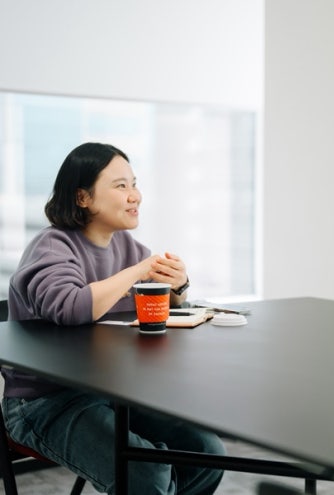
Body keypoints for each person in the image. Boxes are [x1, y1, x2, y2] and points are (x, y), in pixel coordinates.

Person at [2, 142, 225, 494]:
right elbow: (70, 307)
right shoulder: (52, 247)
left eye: (134, 184)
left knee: (206, 452)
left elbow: (160, 305)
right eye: (121, 186)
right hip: (44, 402)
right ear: (83, 197)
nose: (135, 196)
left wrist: (178, 285)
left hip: (112, 392)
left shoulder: (128, 248)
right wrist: (138, 272)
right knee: (145, 475)